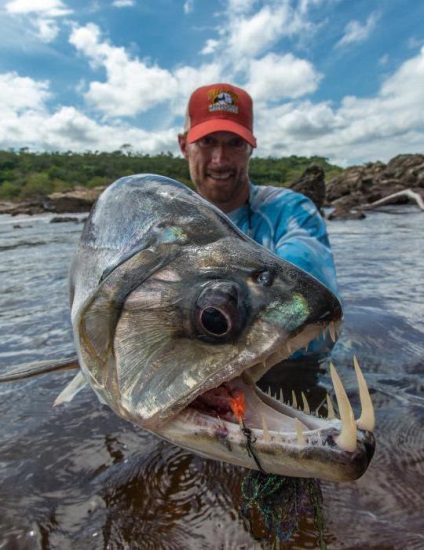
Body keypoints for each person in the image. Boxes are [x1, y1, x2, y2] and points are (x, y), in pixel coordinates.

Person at [178, 83, 339, 356]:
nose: (220, 159)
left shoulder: (292, 211)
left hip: (291, 370)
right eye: (207, 142)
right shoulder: (169, 227)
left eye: (234, 144)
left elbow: (302, 292)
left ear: (251, 147)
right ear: (184, 146)